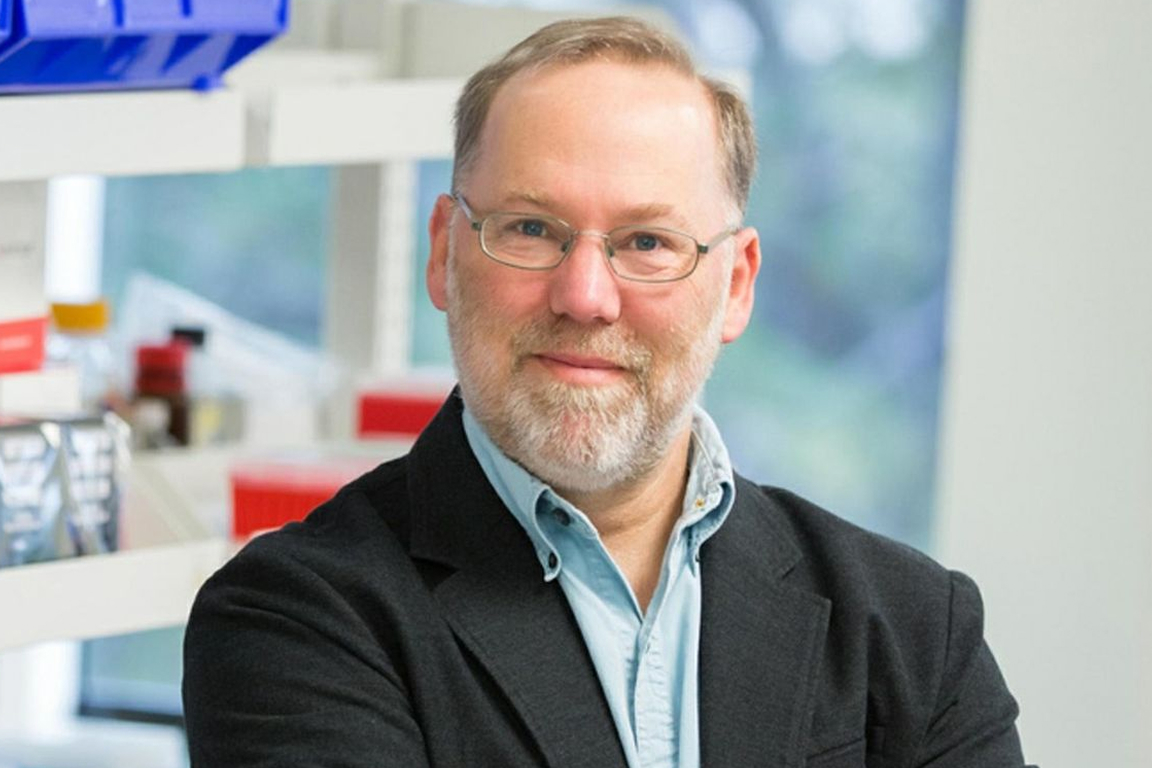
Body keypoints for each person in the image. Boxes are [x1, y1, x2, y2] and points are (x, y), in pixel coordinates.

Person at [183, 16, 1033, 768]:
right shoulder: (296, 621)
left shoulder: (913, 627)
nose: (585, 296)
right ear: (444, 253)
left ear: (736, 285)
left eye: (648, 242)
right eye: (530, 228)